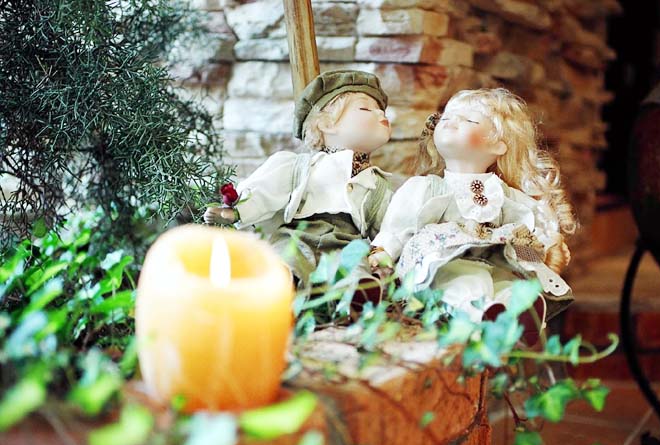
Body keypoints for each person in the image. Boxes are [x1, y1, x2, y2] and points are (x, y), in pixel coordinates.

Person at [370, 88, 576, 324]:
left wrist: (546, 249)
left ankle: (515, 313)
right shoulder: (426, 188)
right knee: (467, 280)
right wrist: (383, 251)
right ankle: (479, 314)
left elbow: (525, 230)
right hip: (444, 263)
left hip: (496, 259)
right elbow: (399, 226)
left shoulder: (504, 195)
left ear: (499, 145)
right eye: (446, 117)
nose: (451, 121)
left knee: (506, 282)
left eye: (469, 120)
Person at [204, 70, 393, 284]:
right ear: (326, 124)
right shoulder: (300, 167)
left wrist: (383, 251)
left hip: (348, 241)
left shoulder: (378, 184)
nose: (381, 115)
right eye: (366, 108)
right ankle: (280, 283)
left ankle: (358, 291)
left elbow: (389, 224)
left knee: (354, 265)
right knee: (285, 258)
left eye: (382, 111)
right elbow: (269, 189)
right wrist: (236, 211)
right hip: (296, 233)